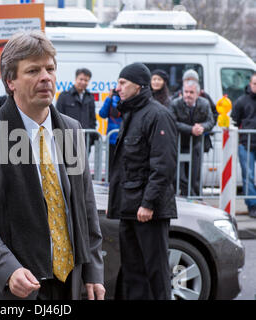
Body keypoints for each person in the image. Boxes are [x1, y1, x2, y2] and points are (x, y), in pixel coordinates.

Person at [0, 31, 105, 300]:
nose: (45, 77)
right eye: (33, 70)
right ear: (10, 81)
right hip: (15, 286)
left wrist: (93, 270)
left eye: (50, 68)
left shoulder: (71, 131)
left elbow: (85, 208)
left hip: (68, 283)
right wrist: (7, 269)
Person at [107, 62, 177, 300]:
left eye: (123, 83)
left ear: (138, 85)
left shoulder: (158, 115)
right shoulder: (132, 113)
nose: (118, 88)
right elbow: (125, 166)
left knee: (156, 273)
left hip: (149, 211)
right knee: (133, 273)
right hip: (129, 208)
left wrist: (148, 203)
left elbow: (163, 165)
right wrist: (116, 202)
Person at [169, 80, 215, 197]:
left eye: (191, 92)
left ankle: (195, 199)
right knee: (178, 176)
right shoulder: (175, 104)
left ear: (197, 94)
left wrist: (202, 127)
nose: (188, 95)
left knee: (194, 176)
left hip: (195, 144)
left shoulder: (204, 103)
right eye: (186, 92)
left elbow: (210, 121)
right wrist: (191, 129)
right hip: (178, 143)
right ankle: (184, 198)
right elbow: (172, 122)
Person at [231, 73, 256, 218]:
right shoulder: (241, 101)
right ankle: (252, 205)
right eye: (254, 84)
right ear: (250, 84)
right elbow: (234, 120)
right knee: (248, 176)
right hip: (246, 144)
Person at [99, 89, 121, 170]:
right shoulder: (111, 100)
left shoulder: (128, 100)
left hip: (124, 139)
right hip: (111, 139)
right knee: (111, 167)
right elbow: (102, 114)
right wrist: (109, 98)